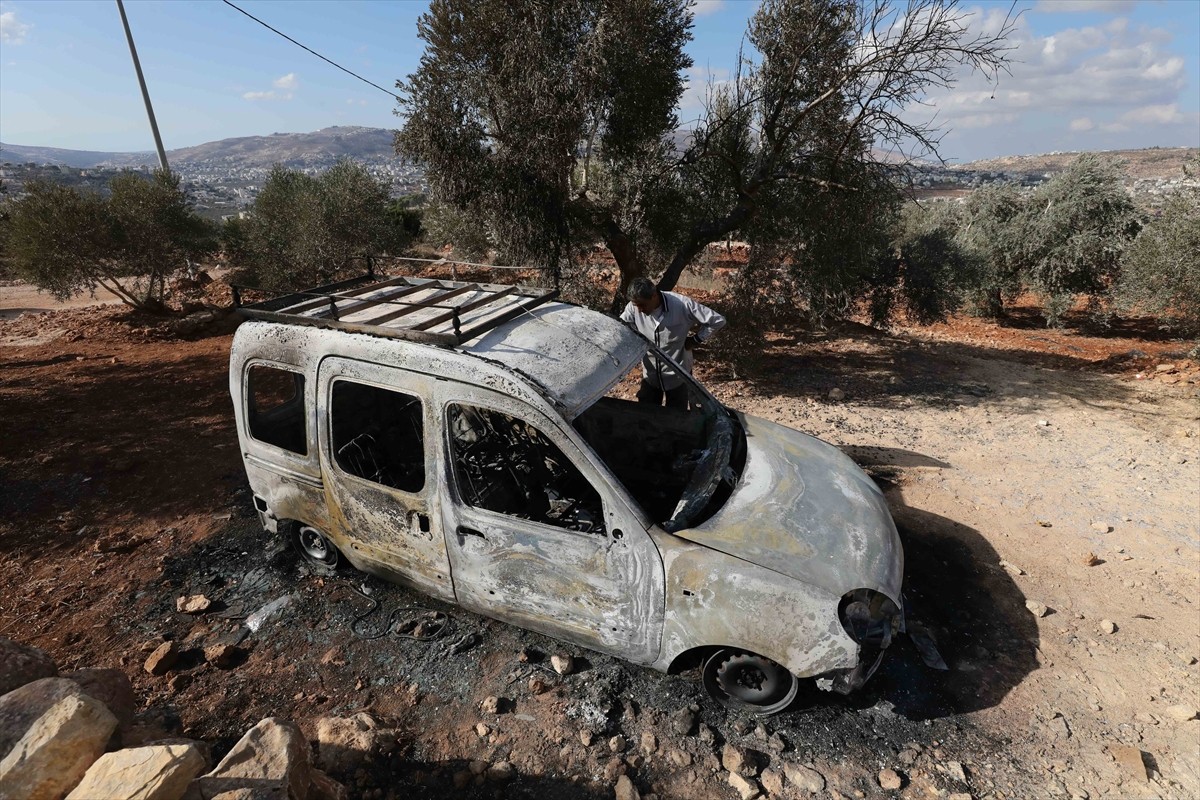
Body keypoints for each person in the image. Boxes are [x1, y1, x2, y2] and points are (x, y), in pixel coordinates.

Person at [619, 277, 726, 410]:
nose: (639, 310)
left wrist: (696, 340)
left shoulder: (682, 305)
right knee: (646, 413)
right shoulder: (633, 307)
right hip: (650, 375)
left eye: (642, 305)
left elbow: (717, 321)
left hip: (679, 376)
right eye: (636, 306)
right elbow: (621, 325)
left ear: (654, 296)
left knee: (677, 415)